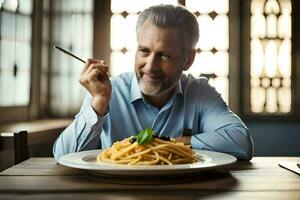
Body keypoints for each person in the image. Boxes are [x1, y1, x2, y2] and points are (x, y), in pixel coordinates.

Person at [53, 4, 253, 160]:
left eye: (164, 55)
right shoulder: (105, 91)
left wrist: (168, 145)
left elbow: (241, 142)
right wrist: (98, 103)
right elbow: (63, 155)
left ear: (188, 60)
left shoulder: (199, 92)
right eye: (144, 51)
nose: (150, 66)